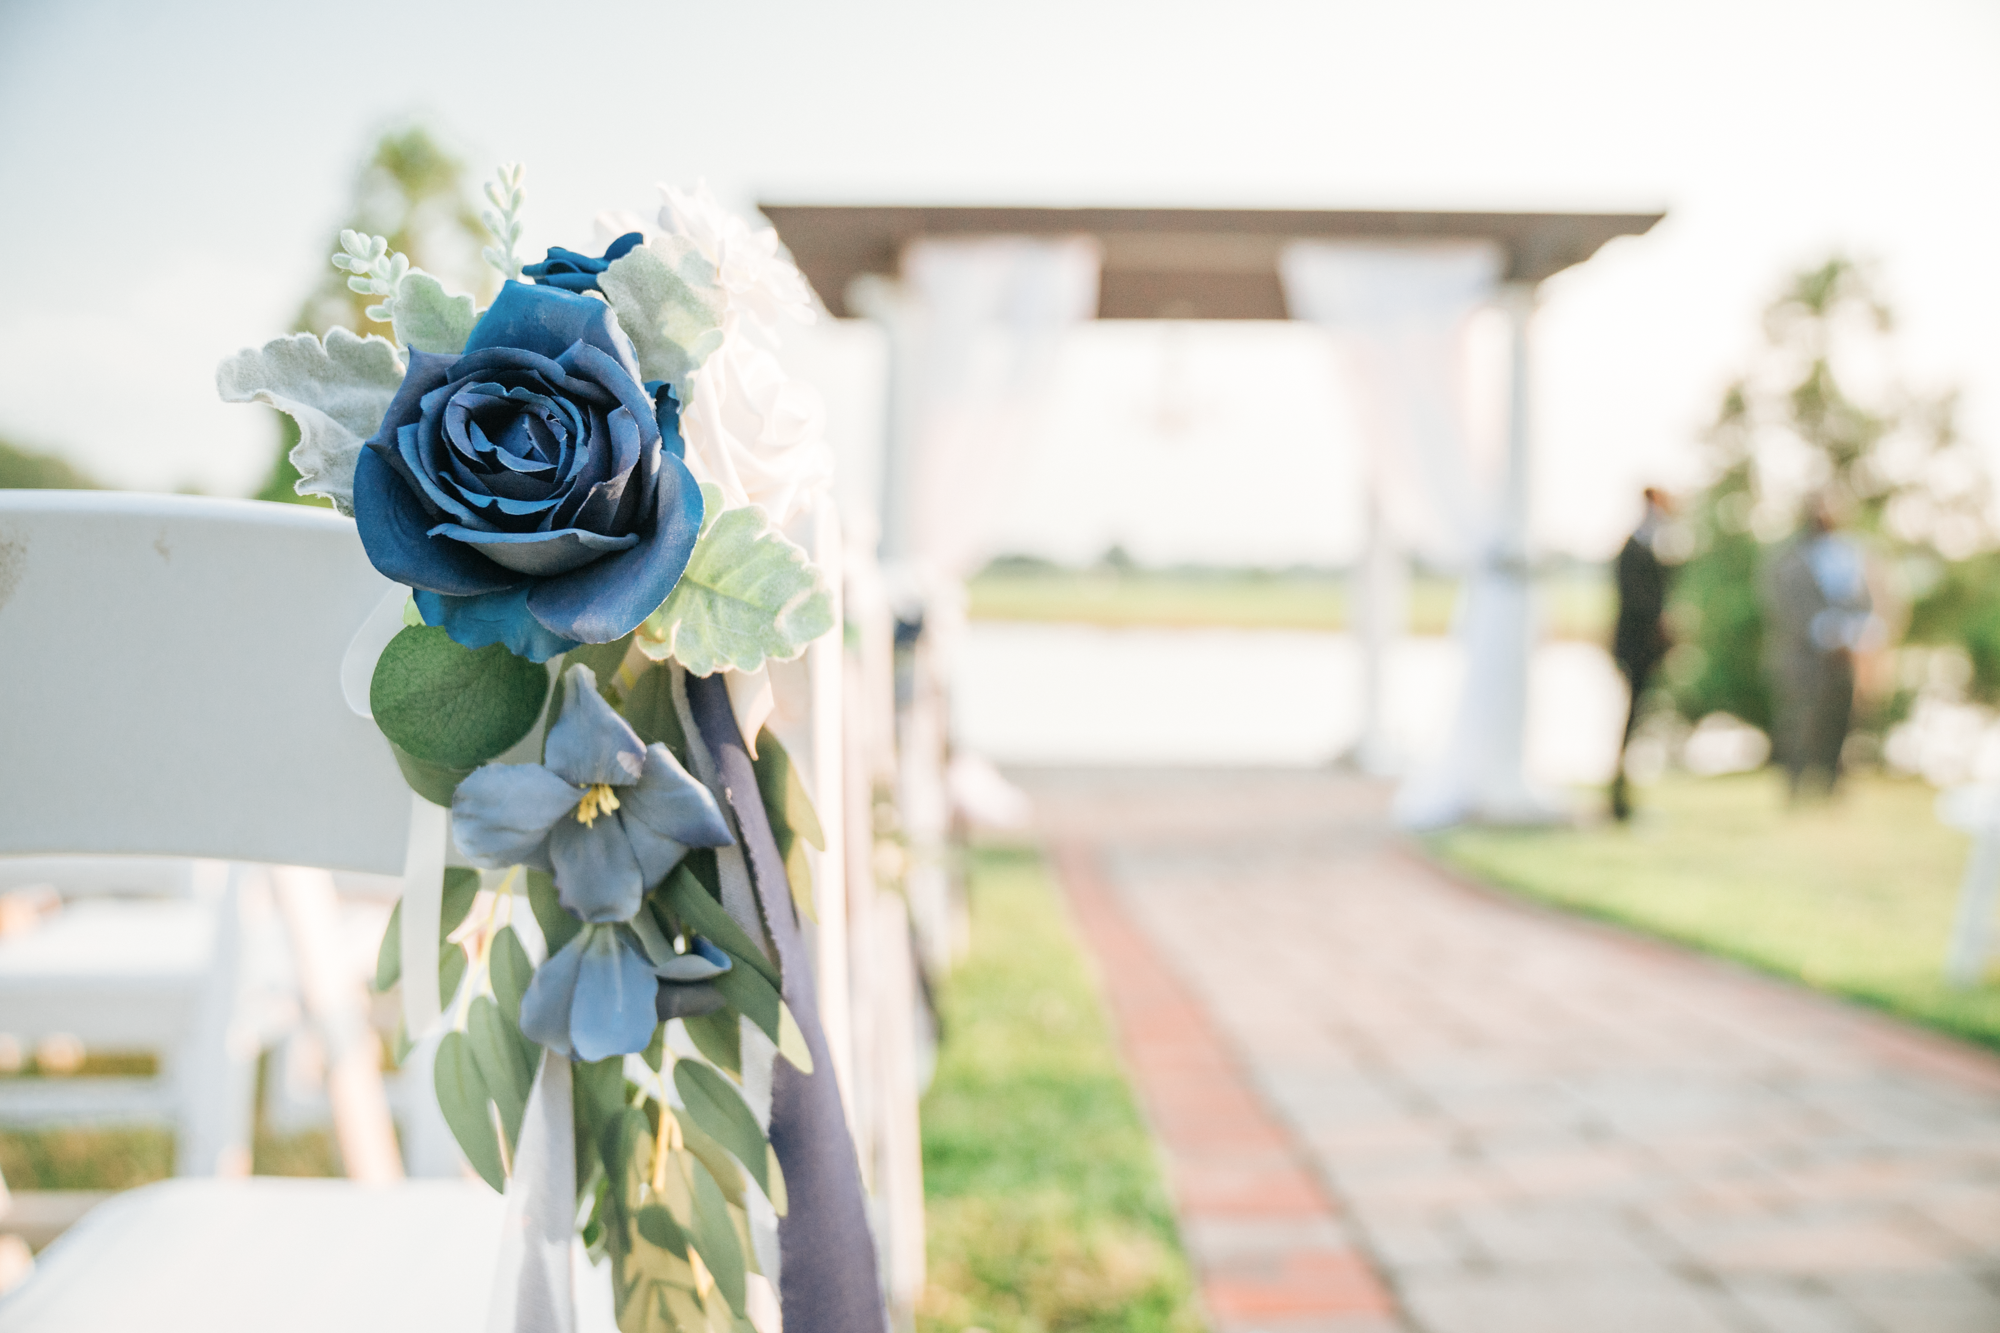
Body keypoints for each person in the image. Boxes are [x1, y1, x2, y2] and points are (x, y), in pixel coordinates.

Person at [1761, 496, 1875, 799]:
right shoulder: (1788, 558)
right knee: (1800, 721)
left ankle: (1833, 785)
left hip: (1847, 655)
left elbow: (1868, 600)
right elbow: (1782, 605)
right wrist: (1825, 634)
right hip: (1803, 656)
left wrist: (1854, 635)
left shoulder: (1851, 553)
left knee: (1842, 720)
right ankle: (1795, 786)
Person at [1610, 488, 1674, 821]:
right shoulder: (1633, 548)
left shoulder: (1657, 546)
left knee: (1639, 723)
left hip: (1647, 652)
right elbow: (1638, 602)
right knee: (1629, 722)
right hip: (1633, 650)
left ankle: (1628, 797)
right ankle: (1619, 801)